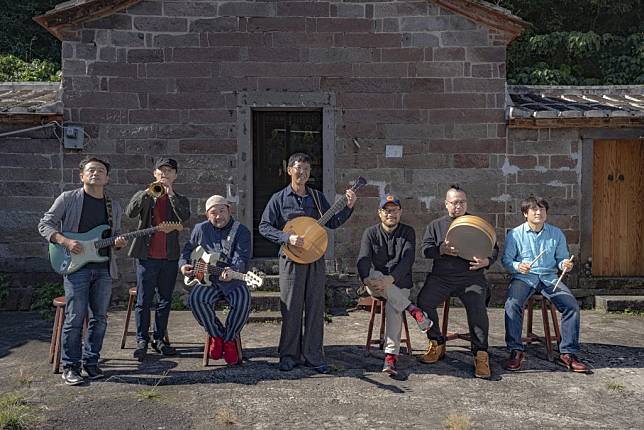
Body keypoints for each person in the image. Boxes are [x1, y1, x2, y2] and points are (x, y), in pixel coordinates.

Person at [259, 152, 357, 373]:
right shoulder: (278, 199)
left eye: (306, 169)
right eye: (297, 167)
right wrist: (287, 238)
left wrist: (349, 207)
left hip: (314, 258)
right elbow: (264, 226)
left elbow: (333, 221)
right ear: (289, 170)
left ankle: (313, 356)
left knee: (315, 307)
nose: (302, 172)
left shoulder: (316, 197)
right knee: (291, 308)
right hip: (291, 259)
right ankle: (288, 355)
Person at [38, 156, 127, 385]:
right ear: (82, 175)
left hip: (103, 268)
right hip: (75, 267)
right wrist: (66, 242)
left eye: (100, 171)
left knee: (100, 318)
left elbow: (113, 234)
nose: (95, 174)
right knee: (75, 317)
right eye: (90, 170)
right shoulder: (68, 199)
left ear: (106, 178)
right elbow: (45, 224)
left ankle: (91, 362)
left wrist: (118, 242)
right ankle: (71, 367)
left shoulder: (113, 206)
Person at [416, 185, 498, 379]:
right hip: (441, 277)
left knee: (477, 306)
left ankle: (480, 353)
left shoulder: (476, 223)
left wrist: (487, 262)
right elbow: (425, 250)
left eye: (462, 202)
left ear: (466, 203)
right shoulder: (435, 226)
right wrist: (440, 250)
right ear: (446, 204)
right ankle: (436, 342)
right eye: (454, 202)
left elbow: (493, 247)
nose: (458, 206)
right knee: (424, 302)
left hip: (471, 277)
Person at [502, 196, 588, 373]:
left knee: (571, 306)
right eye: (533, 209)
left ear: (546, 213)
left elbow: (561, 259)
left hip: (549, 278)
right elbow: (507, 260)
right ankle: (515, 350)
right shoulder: (515, 234)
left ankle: (568, 353)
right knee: (512, 304)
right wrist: (519, 266)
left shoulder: (556, 233)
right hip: (524, 278)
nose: (538, 212)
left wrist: (565, 264)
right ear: (525, 213)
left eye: (542, 209)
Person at [356, 194, 431, 375]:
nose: (391, 214)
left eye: (395, 210)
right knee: (376, 274)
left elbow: (407, 259)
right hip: (374, 283)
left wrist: (391, 279)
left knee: (393, 307)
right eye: (387, 211)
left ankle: (390, 358)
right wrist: (366, 278)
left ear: (400, 212)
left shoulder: (408, 232)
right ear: (380, 213)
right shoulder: (370, 233)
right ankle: (413, 310)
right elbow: (363, 259)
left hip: (399, 283)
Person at [125, 157, 190, 360]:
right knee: (143, 301)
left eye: (169, 171)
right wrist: (147, 193)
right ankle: (141, 340)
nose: (165, 174)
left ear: (175, 175)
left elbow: (184, 217)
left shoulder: (180, 198)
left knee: (165, 300)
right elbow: (130, 212)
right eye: (161, 171)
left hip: (169, 257)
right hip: (147, 257)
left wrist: (170, 195)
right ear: (154, 174)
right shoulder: (144, 195)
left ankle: (159, 339)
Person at [179, 195, 251, 365]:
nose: (218, 216)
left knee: (242, 301)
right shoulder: (200, 229)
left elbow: (241, 257)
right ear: (207, 215)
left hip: (232, 280)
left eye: (222, 211)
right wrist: (183, 266)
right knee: (196, 299)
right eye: (213, 213)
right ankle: (217, 335)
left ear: (229, 210)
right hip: (207, 279)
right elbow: (187, 251)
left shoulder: (241, 231)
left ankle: (229, 339)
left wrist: (232, 271)